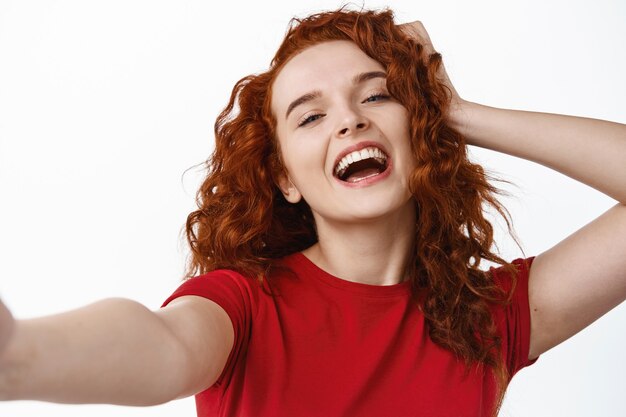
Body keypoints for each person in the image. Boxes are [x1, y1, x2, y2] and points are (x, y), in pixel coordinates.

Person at [0, 6, 625, 417]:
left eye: (377, 95)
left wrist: (460, 114)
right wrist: (19, 355)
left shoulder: (490, 317)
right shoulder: (243, 305)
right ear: (285, 178)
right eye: (311, 114)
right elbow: (161, 345)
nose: (351, 118)